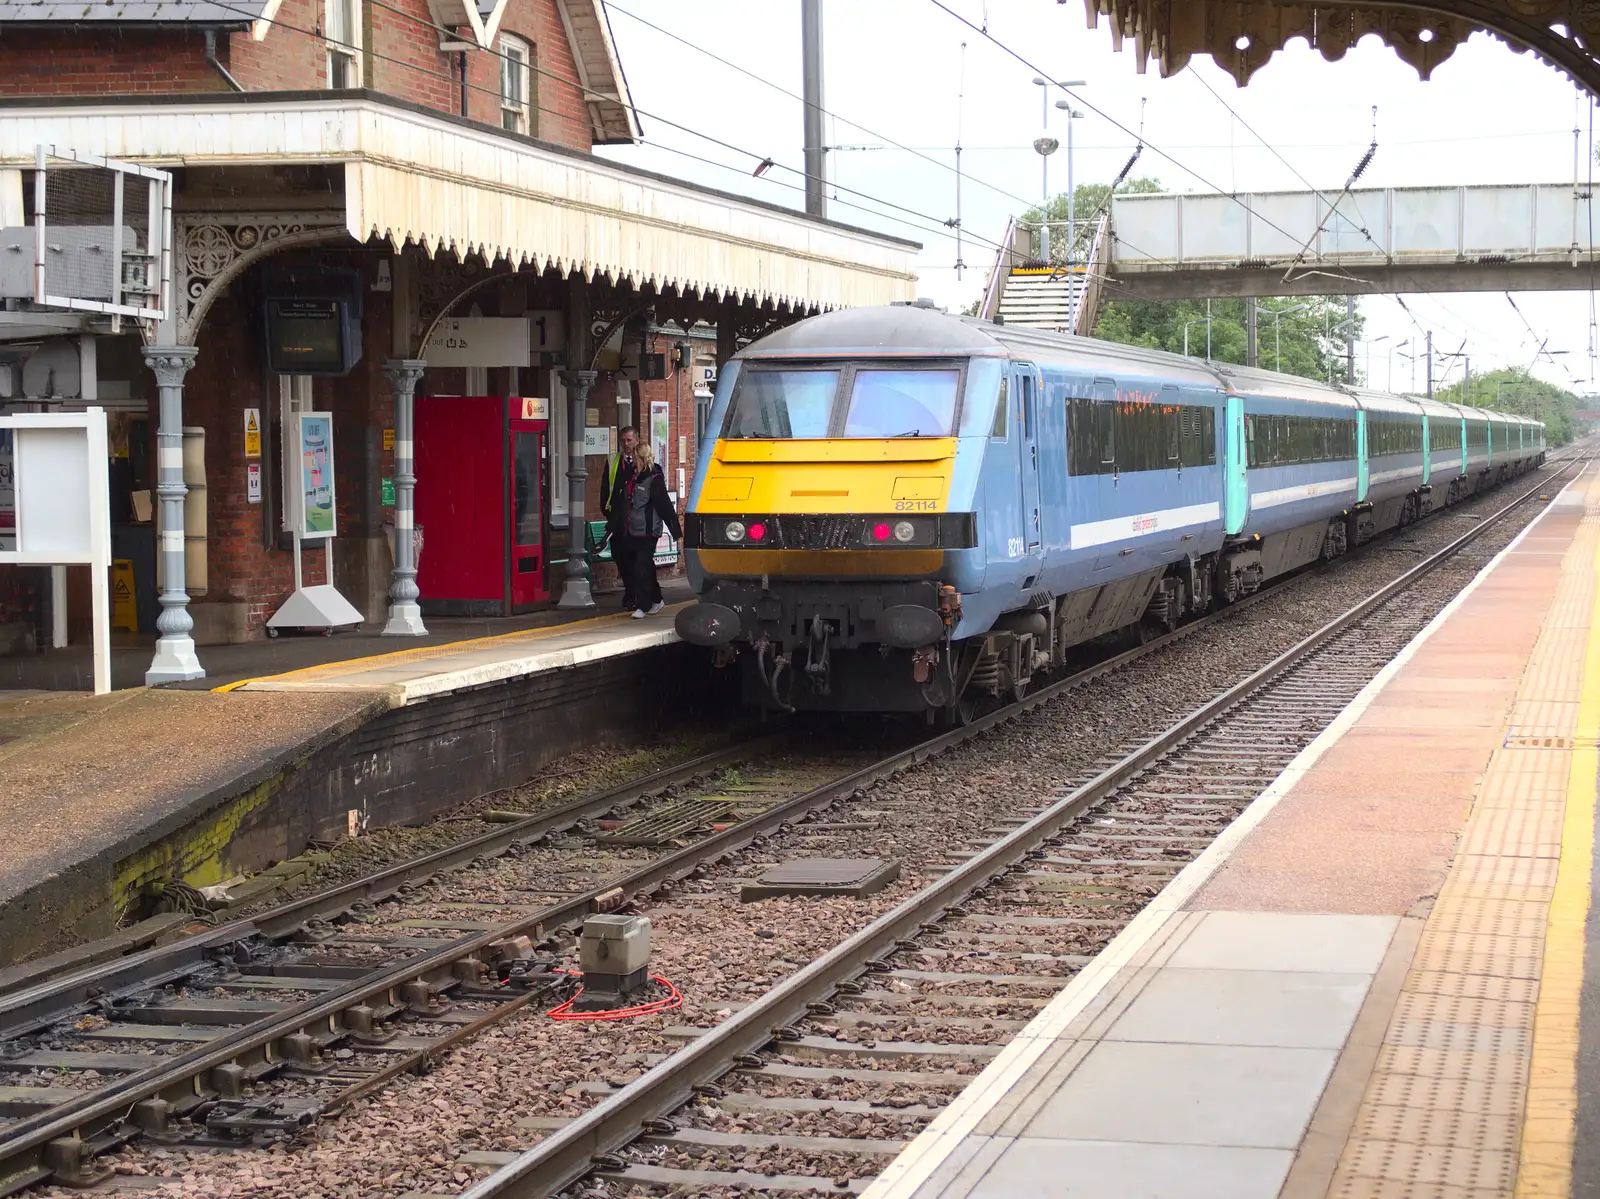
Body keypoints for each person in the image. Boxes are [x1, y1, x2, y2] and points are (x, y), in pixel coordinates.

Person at [609, 441, 682, 618]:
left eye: (635, 458)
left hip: (649, 531)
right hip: (633, 530)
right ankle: (657, 599)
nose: (632, 461)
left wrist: (677, 533)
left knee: (640, 566)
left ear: (641, 458)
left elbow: (665, 506)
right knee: (645, 566)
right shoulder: (632, 477)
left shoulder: (654, 479)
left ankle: (643, 606)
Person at [601, 426, 640, 609]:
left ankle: (634, 595)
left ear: (637, 441)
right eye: (623, 441)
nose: (626, 444)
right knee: (621, 558)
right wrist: (608, 513)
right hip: (617, 519)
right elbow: (604, 489)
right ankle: (630, 591)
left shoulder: (643, 461)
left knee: (635, 559)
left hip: (637, 520)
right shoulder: (613, 461)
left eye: (629, 440)